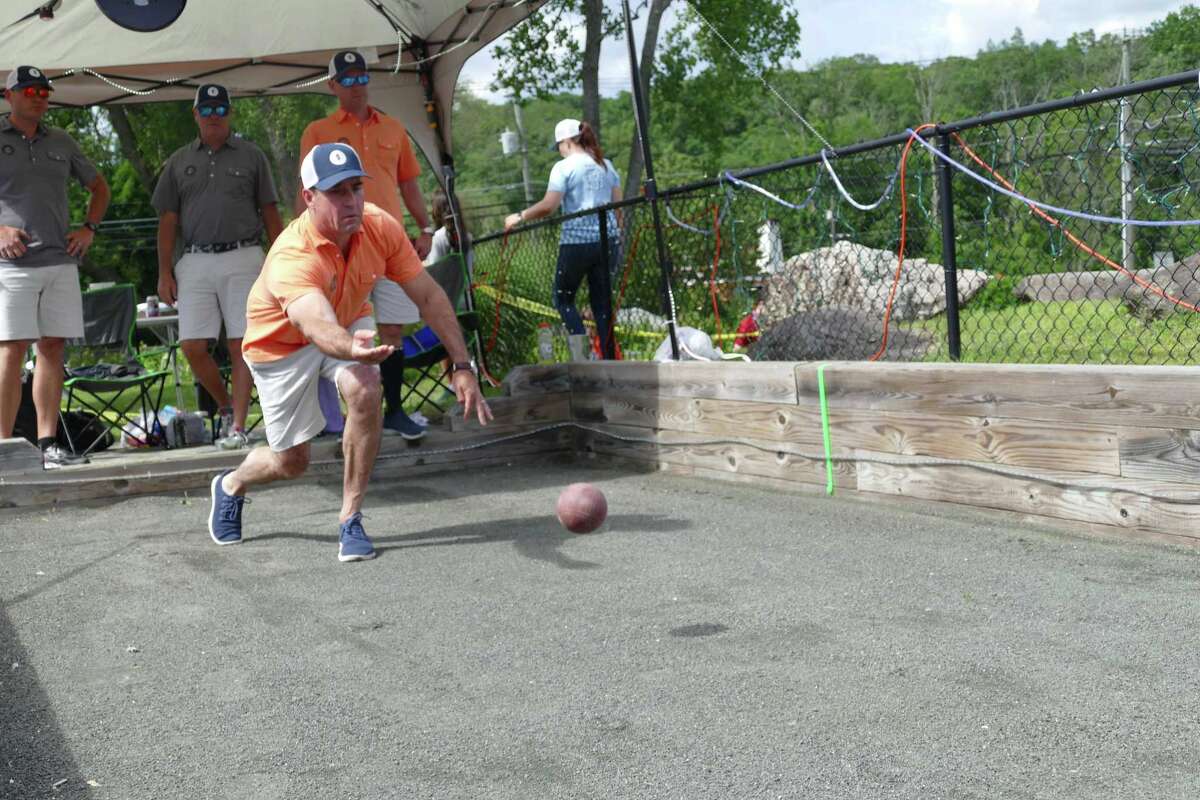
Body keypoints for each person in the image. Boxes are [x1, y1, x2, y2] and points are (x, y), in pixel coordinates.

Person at [208, 143, 491, 562]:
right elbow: (316, 324)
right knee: (292, 462)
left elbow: (429, 296)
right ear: (309, 197)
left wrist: (463, 365)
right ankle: (231, 483)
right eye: (337, 191)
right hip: (281, 347)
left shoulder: (380, 226)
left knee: (365, 386)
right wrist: (349, 346)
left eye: (356, 188)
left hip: (346, 323)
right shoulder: (292, 254)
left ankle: (350, 518)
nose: (351, 200)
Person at [298, 49, 434, 440]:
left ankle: (395, 411)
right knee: (334, 326)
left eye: (362, 77)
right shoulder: (317, 131)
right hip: (338, 247)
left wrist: (426, 228)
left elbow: (409, 184)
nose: (357, 85)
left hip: (389, 244)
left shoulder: (393, 127)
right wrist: (302, 241)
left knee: (391, 328)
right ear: (332, 85)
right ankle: (340, 416)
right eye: (348, 79)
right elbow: (305, 193)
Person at [153, 84, 284, 449]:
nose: (214, 116)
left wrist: (282, 261)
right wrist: (164, 271)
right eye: (207, 110)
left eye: (221, 110)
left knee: (242, 343)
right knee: (192, 345)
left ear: (230, 113)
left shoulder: (252, 155)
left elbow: (270, 211)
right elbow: (167, 220)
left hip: (245, 255)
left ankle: (238, 427)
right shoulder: (178, 160)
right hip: (194, 259)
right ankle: (226, 407)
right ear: (196, 115)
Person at [0, 65, 110, 469]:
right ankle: (5, 449)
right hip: (11, 265)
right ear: (9, 96)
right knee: (11, 350)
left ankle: (47, 444)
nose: (38, 97)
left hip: (60, 261)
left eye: (44, 92)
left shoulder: (62, 140)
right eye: (29, 91)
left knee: (52, 349)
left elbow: (99, 187)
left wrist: (88, 229)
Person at [504, 118, 620, 359]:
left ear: (567, 142)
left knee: (563, 299)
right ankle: (609, 359)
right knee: (602, 303)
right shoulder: (606, 165)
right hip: (608, 240)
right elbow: (618, 206)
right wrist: (616, 235)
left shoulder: (564, 167)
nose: (559, 151)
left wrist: (519, 216)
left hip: (576, 243)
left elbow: (549, 206)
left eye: (559, 146)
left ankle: (582, 357)